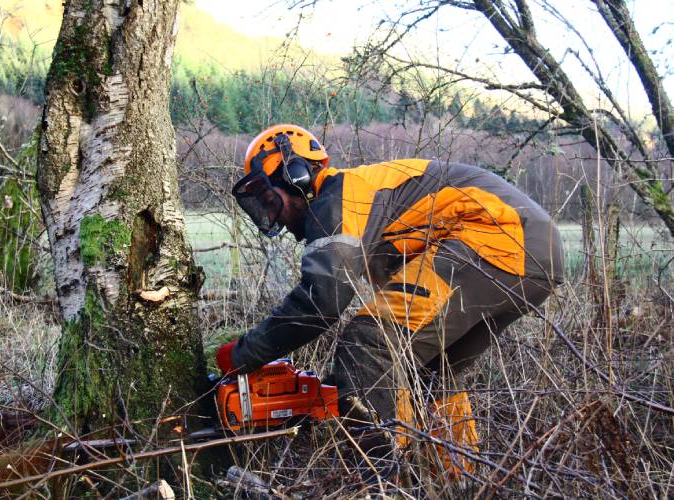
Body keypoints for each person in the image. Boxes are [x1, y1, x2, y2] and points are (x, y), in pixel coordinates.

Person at [216, 124, 564, 477]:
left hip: (501, 236)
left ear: (297, 177)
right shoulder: (367, 209)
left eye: (273, 202)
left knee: (369, 343)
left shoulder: (338, 199)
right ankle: (457, 481)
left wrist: (245, 353)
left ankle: (381, 484)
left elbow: (322, 301)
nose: (277, 218)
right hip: (532, 249)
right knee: (428, 371)